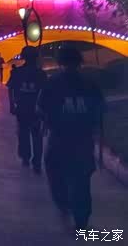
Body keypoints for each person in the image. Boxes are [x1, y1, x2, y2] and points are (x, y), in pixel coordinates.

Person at [37, 46, 105, 229]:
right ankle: (81, 219)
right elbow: (99, 112)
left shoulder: (52, 83)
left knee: (55, 172)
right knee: (82, 180)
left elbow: (41, 108)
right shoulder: (90, 84)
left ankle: (64, 203)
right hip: (83, 140)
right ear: (79, 62)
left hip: (59, 139)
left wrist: (46, 124)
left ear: (60, 62)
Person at [6, 46, 47, 172]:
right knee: (37, 136)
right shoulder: (41, 74)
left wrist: (11, 105)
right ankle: (37, 162)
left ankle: (25, 157)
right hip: (36, 109)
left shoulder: (17, 72)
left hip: (22, 108)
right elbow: (45, 92)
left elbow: (10, 89)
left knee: (23, 133)